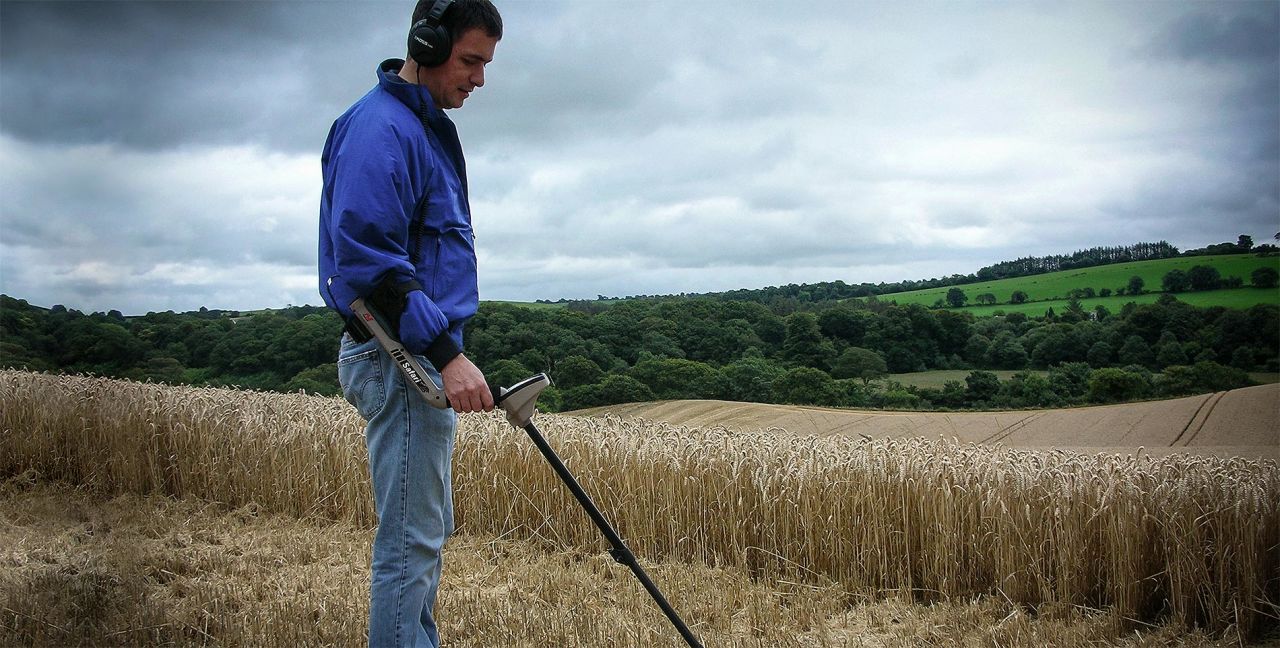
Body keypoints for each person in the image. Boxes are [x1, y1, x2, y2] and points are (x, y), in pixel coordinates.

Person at [317, 1, 501, 646]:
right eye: (471, 60)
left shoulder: (417, 128)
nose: (479, 78)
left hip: (414, 353)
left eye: (485, 65)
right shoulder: (381, 129)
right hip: (399, 358)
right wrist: (447, 354)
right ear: (426, 43)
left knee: (423, 537)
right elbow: (369, 265)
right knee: (409, 545)